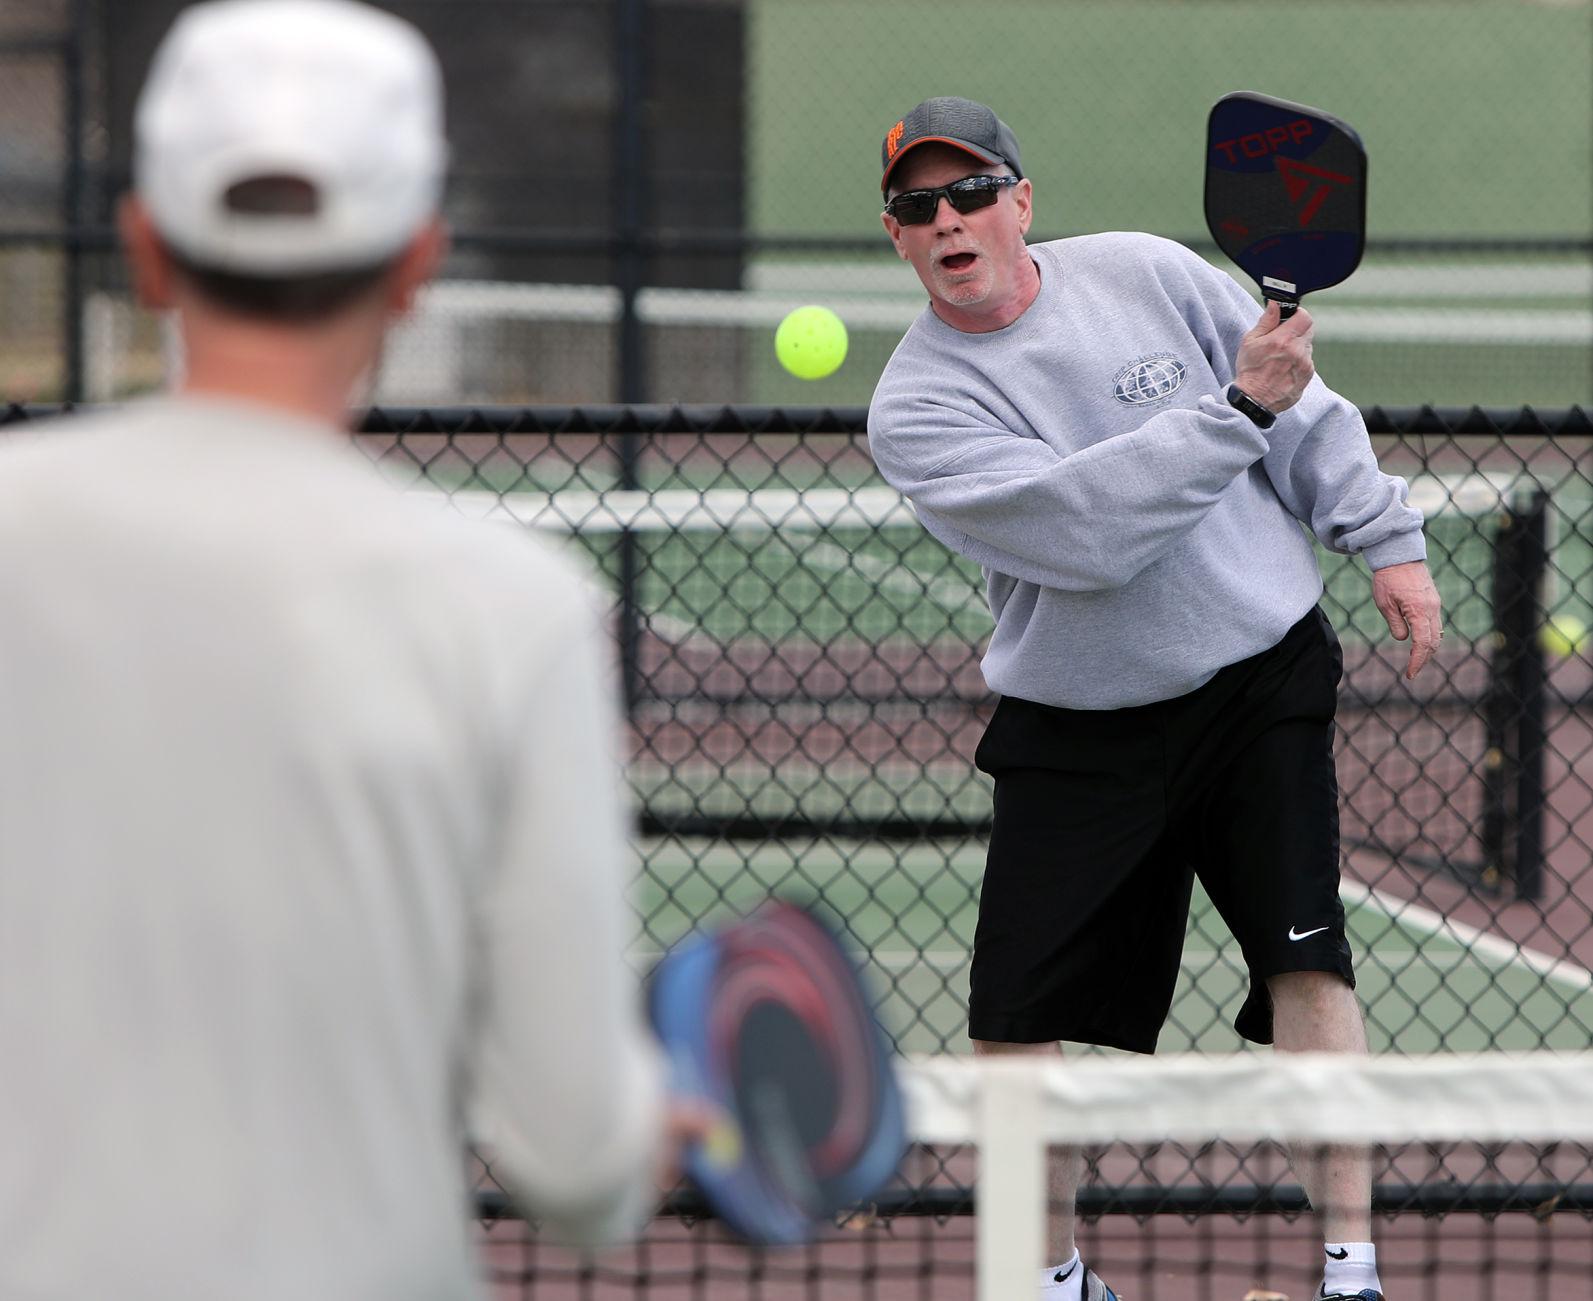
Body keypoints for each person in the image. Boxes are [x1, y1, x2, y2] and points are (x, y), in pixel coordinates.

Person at [0, 3, 679, 1297]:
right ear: (417, 260)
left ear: (144, 249)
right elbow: (579, 1165)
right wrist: (665, 1118)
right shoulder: (511, 609)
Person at [867, 97, 1443, 1301]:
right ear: (898, 238)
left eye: (971, 192)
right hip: (1080, 726)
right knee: (1012, 1025)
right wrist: (1236, 408)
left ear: (1022, 202)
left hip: (1258, 679)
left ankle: (1353, 1274)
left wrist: (1383, 535)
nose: (949, 218)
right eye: (919, 206)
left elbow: (1306, 412)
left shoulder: (1144, 270)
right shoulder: (918, 408)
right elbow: (1087, 535)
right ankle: (1052, 1281)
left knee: (1311, 967)